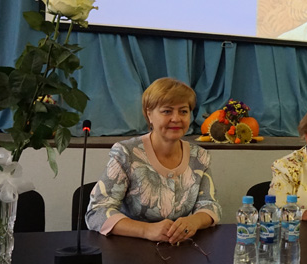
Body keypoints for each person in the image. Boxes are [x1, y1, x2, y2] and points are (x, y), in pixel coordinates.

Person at [85, 78, 221, 243]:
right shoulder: (126, 153)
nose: (176, 118)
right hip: (131, 248)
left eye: (183, 111)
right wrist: (146, 230)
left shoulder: (199, 156)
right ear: (149, 114)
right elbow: (97, 212)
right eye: (167, 111)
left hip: (181, 249)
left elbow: (210, 205)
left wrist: (194, 221)